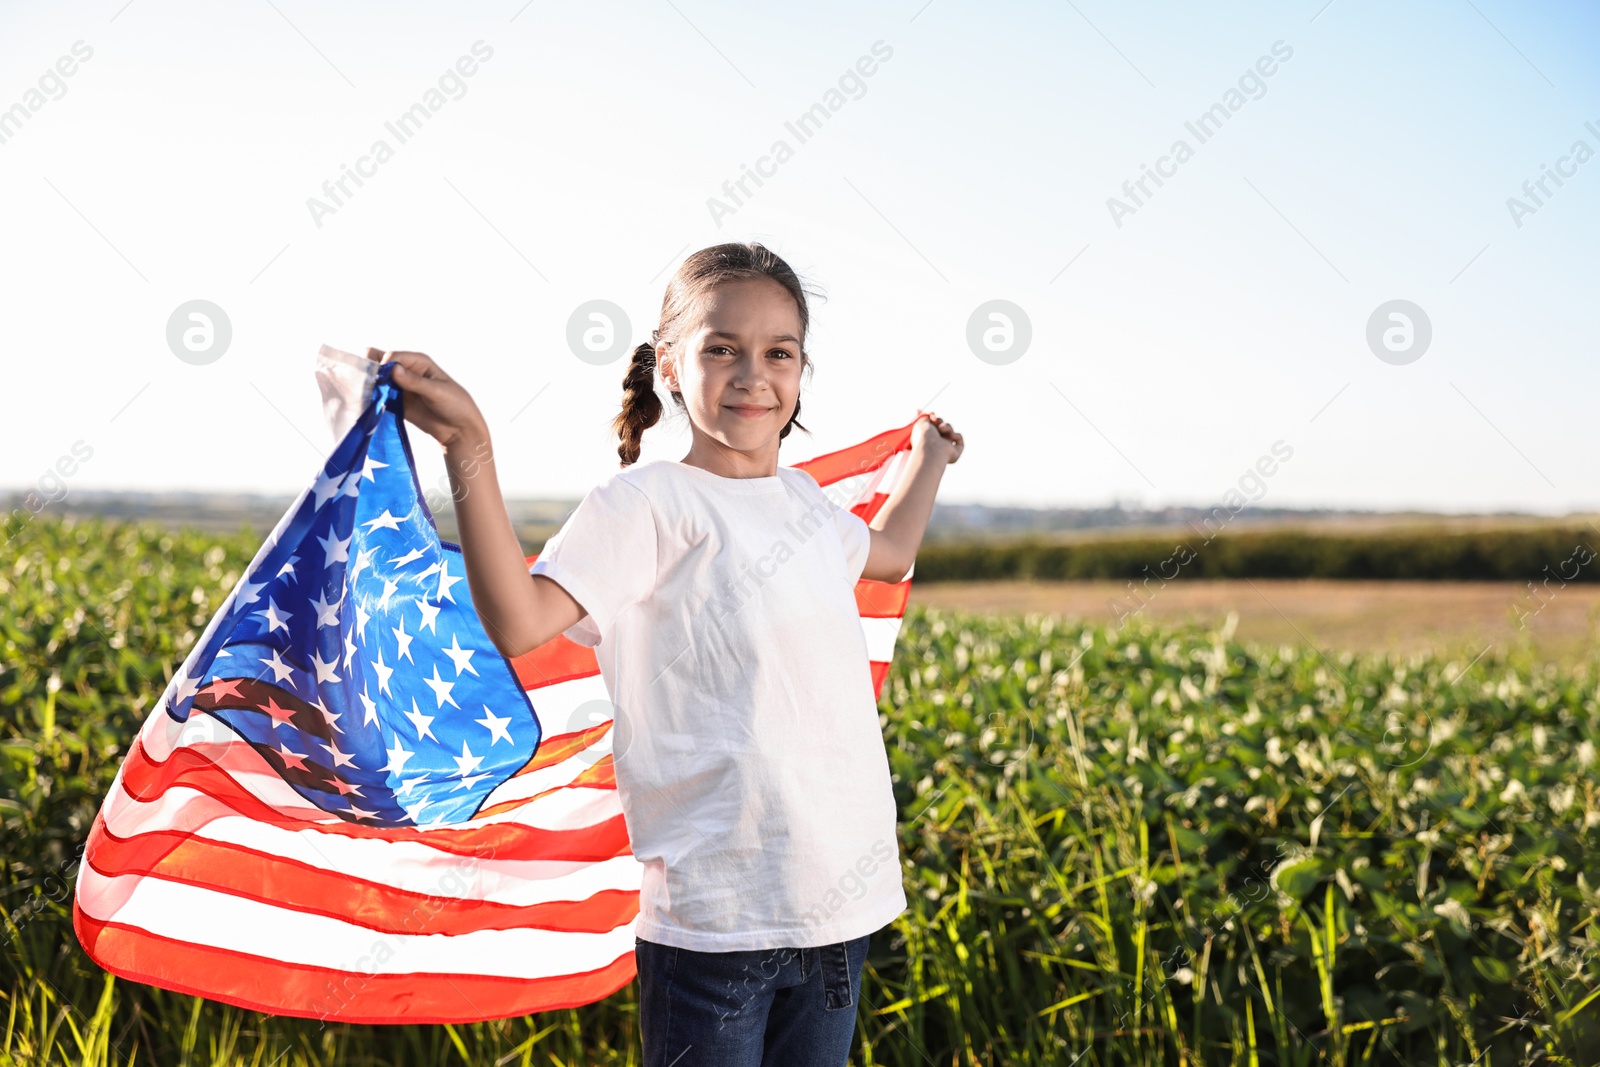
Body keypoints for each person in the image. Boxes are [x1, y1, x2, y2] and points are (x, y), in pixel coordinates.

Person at [385, 241, 963, 1066]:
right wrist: (468, 448)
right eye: (721, 347)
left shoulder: (802, 501)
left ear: (802, 372)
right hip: (713, 927)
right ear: (670, 364)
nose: (752, 374)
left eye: (779, 353)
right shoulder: (646, 504)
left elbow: (891, 551)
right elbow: (520, 620)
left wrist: (929, 459)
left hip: (840, 911)